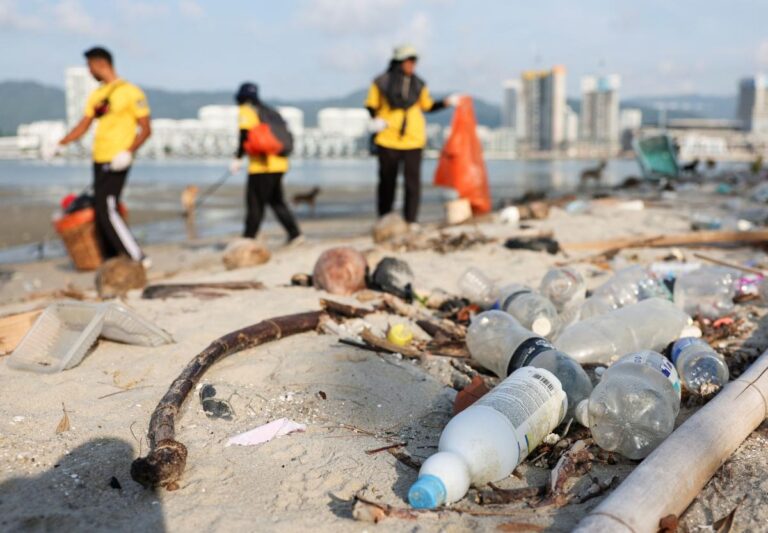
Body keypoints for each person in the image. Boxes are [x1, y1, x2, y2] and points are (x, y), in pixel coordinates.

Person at [50, 46, 151, 265]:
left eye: (89, 67)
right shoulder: (97, 95)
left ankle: (137, 257)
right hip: (99, 159)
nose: (89, 72)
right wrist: (60, 144)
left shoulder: (131, 92)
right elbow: (83, 125)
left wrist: (127, 152)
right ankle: (111, 259)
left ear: (100, 64)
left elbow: (146, 129)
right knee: (100, 209)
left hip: (119, 160)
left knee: (108, 209)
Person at [365, 44, 458, 226]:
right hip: (387, 138)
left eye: (415, 61)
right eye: (410, 60)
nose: (413, 64)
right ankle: (384, 219)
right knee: (387, 182)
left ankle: (411, 220)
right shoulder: (380, 82)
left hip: (414, 140)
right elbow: (371, 104)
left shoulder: (419, 84)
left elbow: (427, 106)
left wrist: (446, 102)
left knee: (412, 184)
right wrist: (375, 120)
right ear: (399, 62)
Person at [230, 82, 303, 245]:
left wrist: (237, 158)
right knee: (276, 201)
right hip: (280, 164)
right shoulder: (269, 111)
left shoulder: (246, 110)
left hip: (261, 166)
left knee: (255, 203)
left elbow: (244, 135)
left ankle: (248, 239)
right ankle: (295, 234)